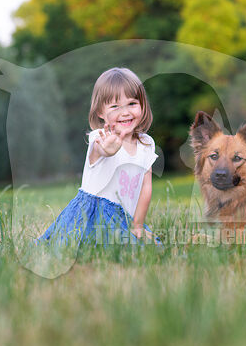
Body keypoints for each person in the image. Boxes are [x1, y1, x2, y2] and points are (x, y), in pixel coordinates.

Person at [37, 67, 162, 248]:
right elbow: (99, 150)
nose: (125, 112)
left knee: (144, 248)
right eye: (115, 106)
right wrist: (106, 150)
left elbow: (146, 187)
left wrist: (138, 225)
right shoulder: (100, 137)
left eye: (132, 103)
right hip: (92, 213)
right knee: (88, 246)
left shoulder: (146, 143)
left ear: (143, 105)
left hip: (123, 217)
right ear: (100, 113)